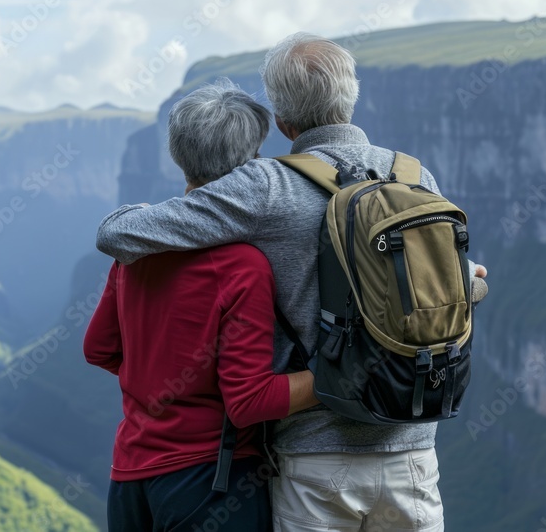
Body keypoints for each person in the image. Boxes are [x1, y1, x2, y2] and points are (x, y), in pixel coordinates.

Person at [96, 33, 488, 532]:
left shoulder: (266, 186)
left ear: (281, 121)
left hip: (316, 460)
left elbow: (117, 235)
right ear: (352, 98)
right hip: (412, 446)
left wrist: (143, 210)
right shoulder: (415, 177)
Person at [84, 81, 320, 532]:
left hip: (130, 478)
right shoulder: (243, 266)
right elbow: (250, 401)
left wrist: (164, 383)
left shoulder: (135, 251)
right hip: (210, 483)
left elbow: (99, 349)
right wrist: (341, 375)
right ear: (251, 163)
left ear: (177, 154)